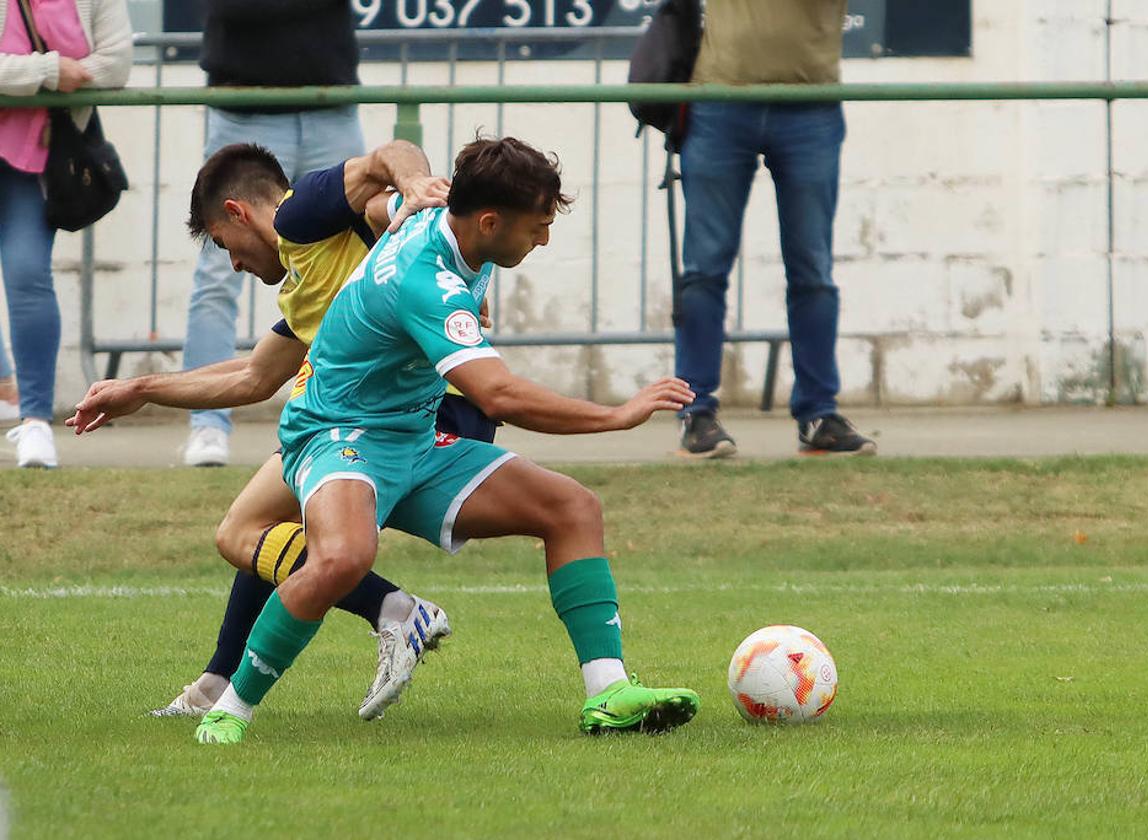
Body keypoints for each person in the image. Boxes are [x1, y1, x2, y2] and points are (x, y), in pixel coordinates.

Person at [191, 137, 702, 745]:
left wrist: (416, 186)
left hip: (413, 437)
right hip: (335, 435)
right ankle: (232, 706)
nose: (544, 240)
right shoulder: (425, 280)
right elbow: (499, 395)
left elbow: (401, 174)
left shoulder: (453, 226)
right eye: (537, 228)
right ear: (489, 222)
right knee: (343, 559)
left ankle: (610, 692)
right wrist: (616, 415)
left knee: (572, 508)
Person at [70, 139, 491, 722]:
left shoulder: (302, 216)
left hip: (419, 412)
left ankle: (390, 612)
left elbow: (387, 159)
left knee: (254, 525)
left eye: (225, 245)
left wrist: (416, 190)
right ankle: (221, 681)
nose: (235, 265)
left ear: (239, 212)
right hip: (395, 413)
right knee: (254, 527)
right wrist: (138, 391)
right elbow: (253, 375)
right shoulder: (305, 281)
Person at [674, 0, 876, 458]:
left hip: (809, 103)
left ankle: (819, 412)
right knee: (705, 268)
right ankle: (696, 411)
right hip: (721, 100)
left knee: (813, 270)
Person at [181, 0, 366, 468]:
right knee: (218, 276)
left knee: (366, 265)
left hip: (331, 104)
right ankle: (207, 426)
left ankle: (362, 411)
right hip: (244, 106)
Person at [0, 0, 132, 466]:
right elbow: (66, 72)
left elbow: (116, 64)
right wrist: (52, 71)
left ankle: (35, 421)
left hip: (39, 158)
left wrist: (29, 75)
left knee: (27, 275)